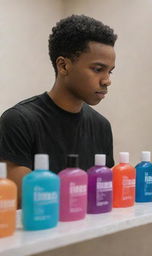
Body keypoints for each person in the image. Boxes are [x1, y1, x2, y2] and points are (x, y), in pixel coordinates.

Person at [0, 15, 117, 206]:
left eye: (110, 71)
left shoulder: (101, 126)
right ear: (63, 65)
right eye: (97, 69)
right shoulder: (19, 120)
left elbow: (102, 194)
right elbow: (26, 199)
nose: (107, 80)